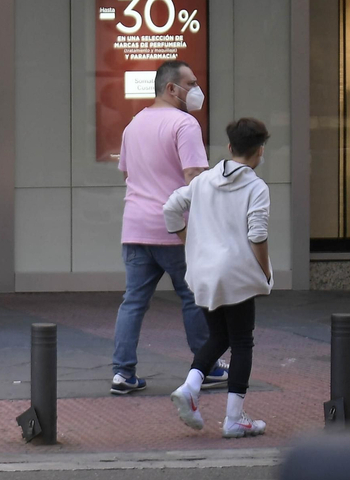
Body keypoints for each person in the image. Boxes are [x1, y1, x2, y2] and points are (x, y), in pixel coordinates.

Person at [110, 59, 223, 395]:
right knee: (192, 296)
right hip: (177, 228)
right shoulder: (184, 124)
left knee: (133, 302)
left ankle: (122, 373)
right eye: (191, 84)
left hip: (135, 227)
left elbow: (126, 172)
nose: (197, 90)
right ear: (172, 88)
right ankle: (207, 367)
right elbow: (194, 177)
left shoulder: (133, 125)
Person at [165, 118, 273, 438]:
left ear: (229, 147)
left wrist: (189, 241)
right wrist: (265, 271)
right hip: (237, 275)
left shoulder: (203, 181)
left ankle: (190, 387)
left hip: (203, 272)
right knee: (241, 341)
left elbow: (170, 208)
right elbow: (257, 235)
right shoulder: (256, 187)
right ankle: (234, 418)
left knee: (219, 336)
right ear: (260, 150)